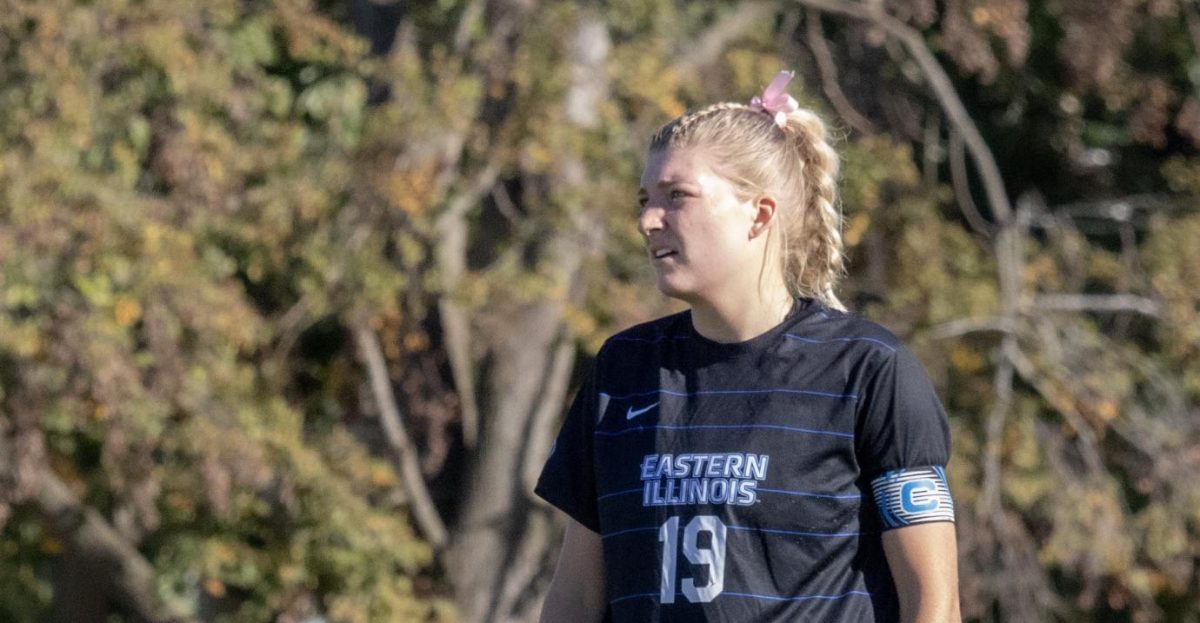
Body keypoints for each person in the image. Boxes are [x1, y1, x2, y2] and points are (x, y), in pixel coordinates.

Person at [535, 71, 960, 622]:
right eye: (645, 199)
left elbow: (935, 603)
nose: (647, 220)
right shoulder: (622, 371)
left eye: (676, 197)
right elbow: (574, 599)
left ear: (759, 214)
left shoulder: (868, 368)